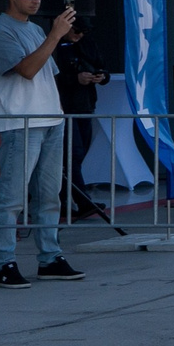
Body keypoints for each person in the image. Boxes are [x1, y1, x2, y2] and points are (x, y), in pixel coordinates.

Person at [0, 0, 82, 287]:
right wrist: (55, 36)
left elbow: (47, 72)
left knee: (49, 196)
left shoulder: (36, 29)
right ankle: (3, 262)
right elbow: (26, 70)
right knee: (11, 197)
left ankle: (49, 258)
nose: (37, 0)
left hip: (50, 119)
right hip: (20, 122)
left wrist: (55, 38)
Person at [54, 19, 109, 212]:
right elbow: (51, 77)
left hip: (85, 104)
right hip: (65, 107)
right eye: (76, 31)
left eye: (83, 32)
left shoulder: (87, 44)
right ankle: (81, 200)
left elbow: (101, 66)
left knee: (79, 153)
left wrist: (101, 76)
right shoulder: (56, 45)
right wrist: (75, 78)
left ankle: (66, 199)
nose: (80, 36)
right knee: (73, 154)